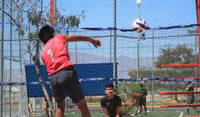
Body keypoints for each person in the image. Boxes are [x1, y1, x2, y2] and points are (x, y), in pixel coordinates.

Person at [39, 25, 101, 117]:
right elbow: (79, 37)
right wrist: (92, 40)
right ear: (52, 34)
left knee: (60, 106)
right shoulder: (58, 38)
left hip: (52, 78)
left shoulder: (43, 52)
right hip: (65, 73)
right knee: (82, 105)